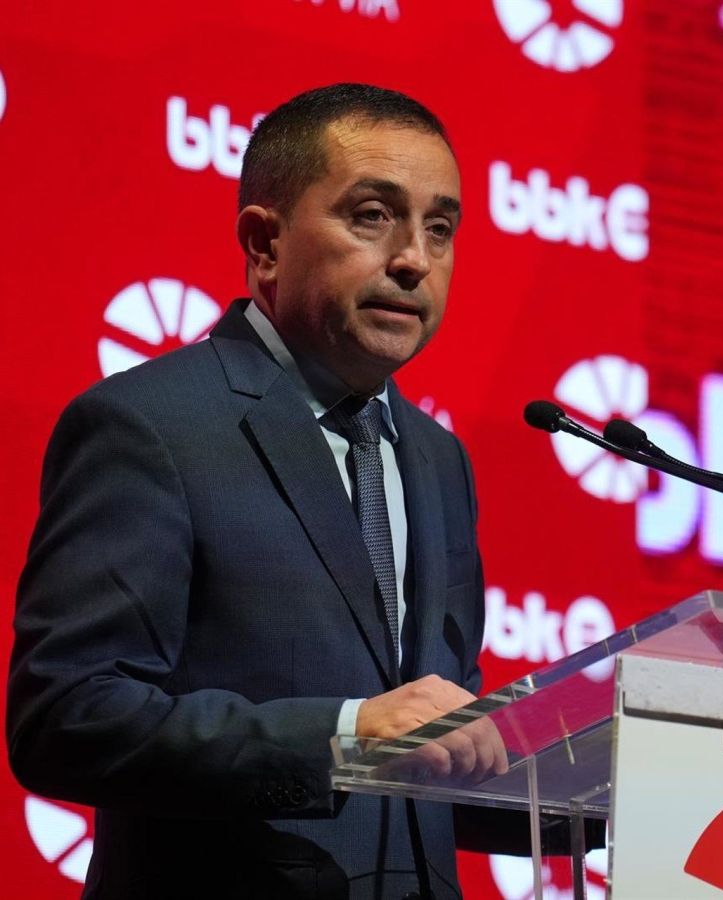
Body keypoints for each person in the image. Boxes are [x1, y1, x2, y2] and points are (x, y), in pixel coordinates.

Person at [7, 83, 508, 899]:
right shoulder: (150, 425)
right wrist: (343, 734)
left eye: (440, 228)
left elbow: (430, 764)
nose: (415, 259)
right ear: (264, 242)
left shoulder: (438, 459)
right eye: (373, 216)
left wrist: (628, 784)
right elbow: (67, 718)